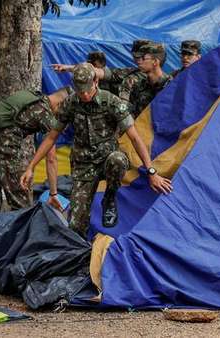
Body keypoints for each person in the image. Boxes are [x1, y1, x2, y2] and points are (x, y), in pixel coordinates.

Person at [20, 63, 173, 237]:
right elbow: (51, 137)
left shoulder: (111, 102)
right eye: (80, 90)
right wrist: (31, 167)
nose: (84, 95)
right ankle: (79, 256)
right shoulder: (70, 103)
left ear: (96, 82)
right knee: (76, 225)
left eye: (87, 89)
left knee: (118, 160)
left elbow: (135, 138)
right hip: (83, 166)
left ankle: (109, 197)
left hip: (107, 160)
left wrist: (151, 171)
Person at [0, 87, 71, 212]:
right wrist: (53, 193)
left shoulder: (27, 96)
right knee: (21, 206)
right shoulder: (45, 114)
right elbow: (51, 158)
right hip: (5, 150)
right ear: (61, 104)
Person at [51, 39, 152, 95]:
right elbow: (100, 72)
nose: (137, 60)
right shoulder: (129, 72)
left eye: (142, 57)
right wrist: (68, 68)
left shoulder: (164, 83)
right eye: (136, 57)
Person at [118, 43, 171, 118]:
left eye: (143, 58)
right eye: (138, 58)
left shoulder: (171, 87)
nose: (139, 61)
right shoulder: (140, 85)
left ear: (155, 62)